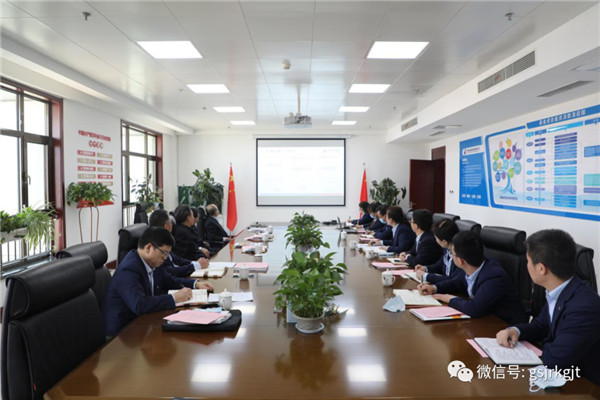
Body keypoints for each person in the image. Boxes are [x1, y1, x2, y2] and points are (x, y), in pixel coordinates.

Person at [495, 229, 600, 385]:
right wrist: (515, 331)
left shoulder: (584, 307)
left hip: (583, 385)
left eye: (528, 261)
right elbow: (541, 326)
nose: (526, 266)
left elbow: (556, 359)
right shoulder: (559, 290)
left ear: (541, 268)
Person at [103, 227, 213, 337]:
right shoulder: (129, 270)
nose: (165, 258)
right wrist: (174, 298)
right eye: (164, 253)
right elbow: (140, 304)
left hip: (143, 322)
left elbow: (168, 280)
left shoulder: (151, 262)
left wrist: (195, 284)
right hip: (123, 334)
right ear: (148, 248)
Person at [418, 231, 528, 325]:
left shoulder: (494, 277)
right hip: (484, 319)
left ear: (460, 261)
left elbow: (473, 309)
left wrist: (449, 298)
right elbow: (457, 282)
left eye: (452, 253)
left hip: (504, 326)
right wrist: (434, 288)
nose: (450, 255)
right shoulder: (471, 266)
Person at [149, 209, 209, 277]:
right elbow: (170, 271)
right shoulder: (158, 246)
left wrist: (196, 263)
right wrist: (195, 266)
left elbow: (177, 259)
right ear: (166, 226)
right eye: (171, 222)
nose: (173, 225)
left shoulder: (162, 239)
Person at [415, 218, 464, 284]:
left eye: (436, 238)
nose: (435, 240)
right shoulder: (447, 249)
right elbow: (439, 265)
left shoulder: (459, 255)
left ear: (444, 242)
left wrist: (426, 276)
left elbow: (453, 280)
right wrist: (425, 268)